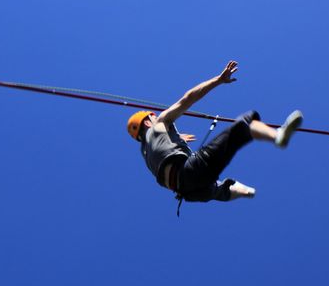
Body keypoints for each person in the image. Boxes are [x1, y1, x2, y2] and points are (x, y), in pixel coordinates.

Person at [127, 61, 303, 203]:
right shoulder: (160, 122)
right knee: (246, 121)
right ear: (148, 120)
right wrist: (218, 80)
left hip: (187, 192)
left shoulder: (146, 154)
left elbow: (163, 155)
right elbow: (188, 98)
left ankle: (245, 192)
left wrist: (178, 139)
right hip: (189, 172)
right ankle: (278, 136)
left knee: (218, 190)